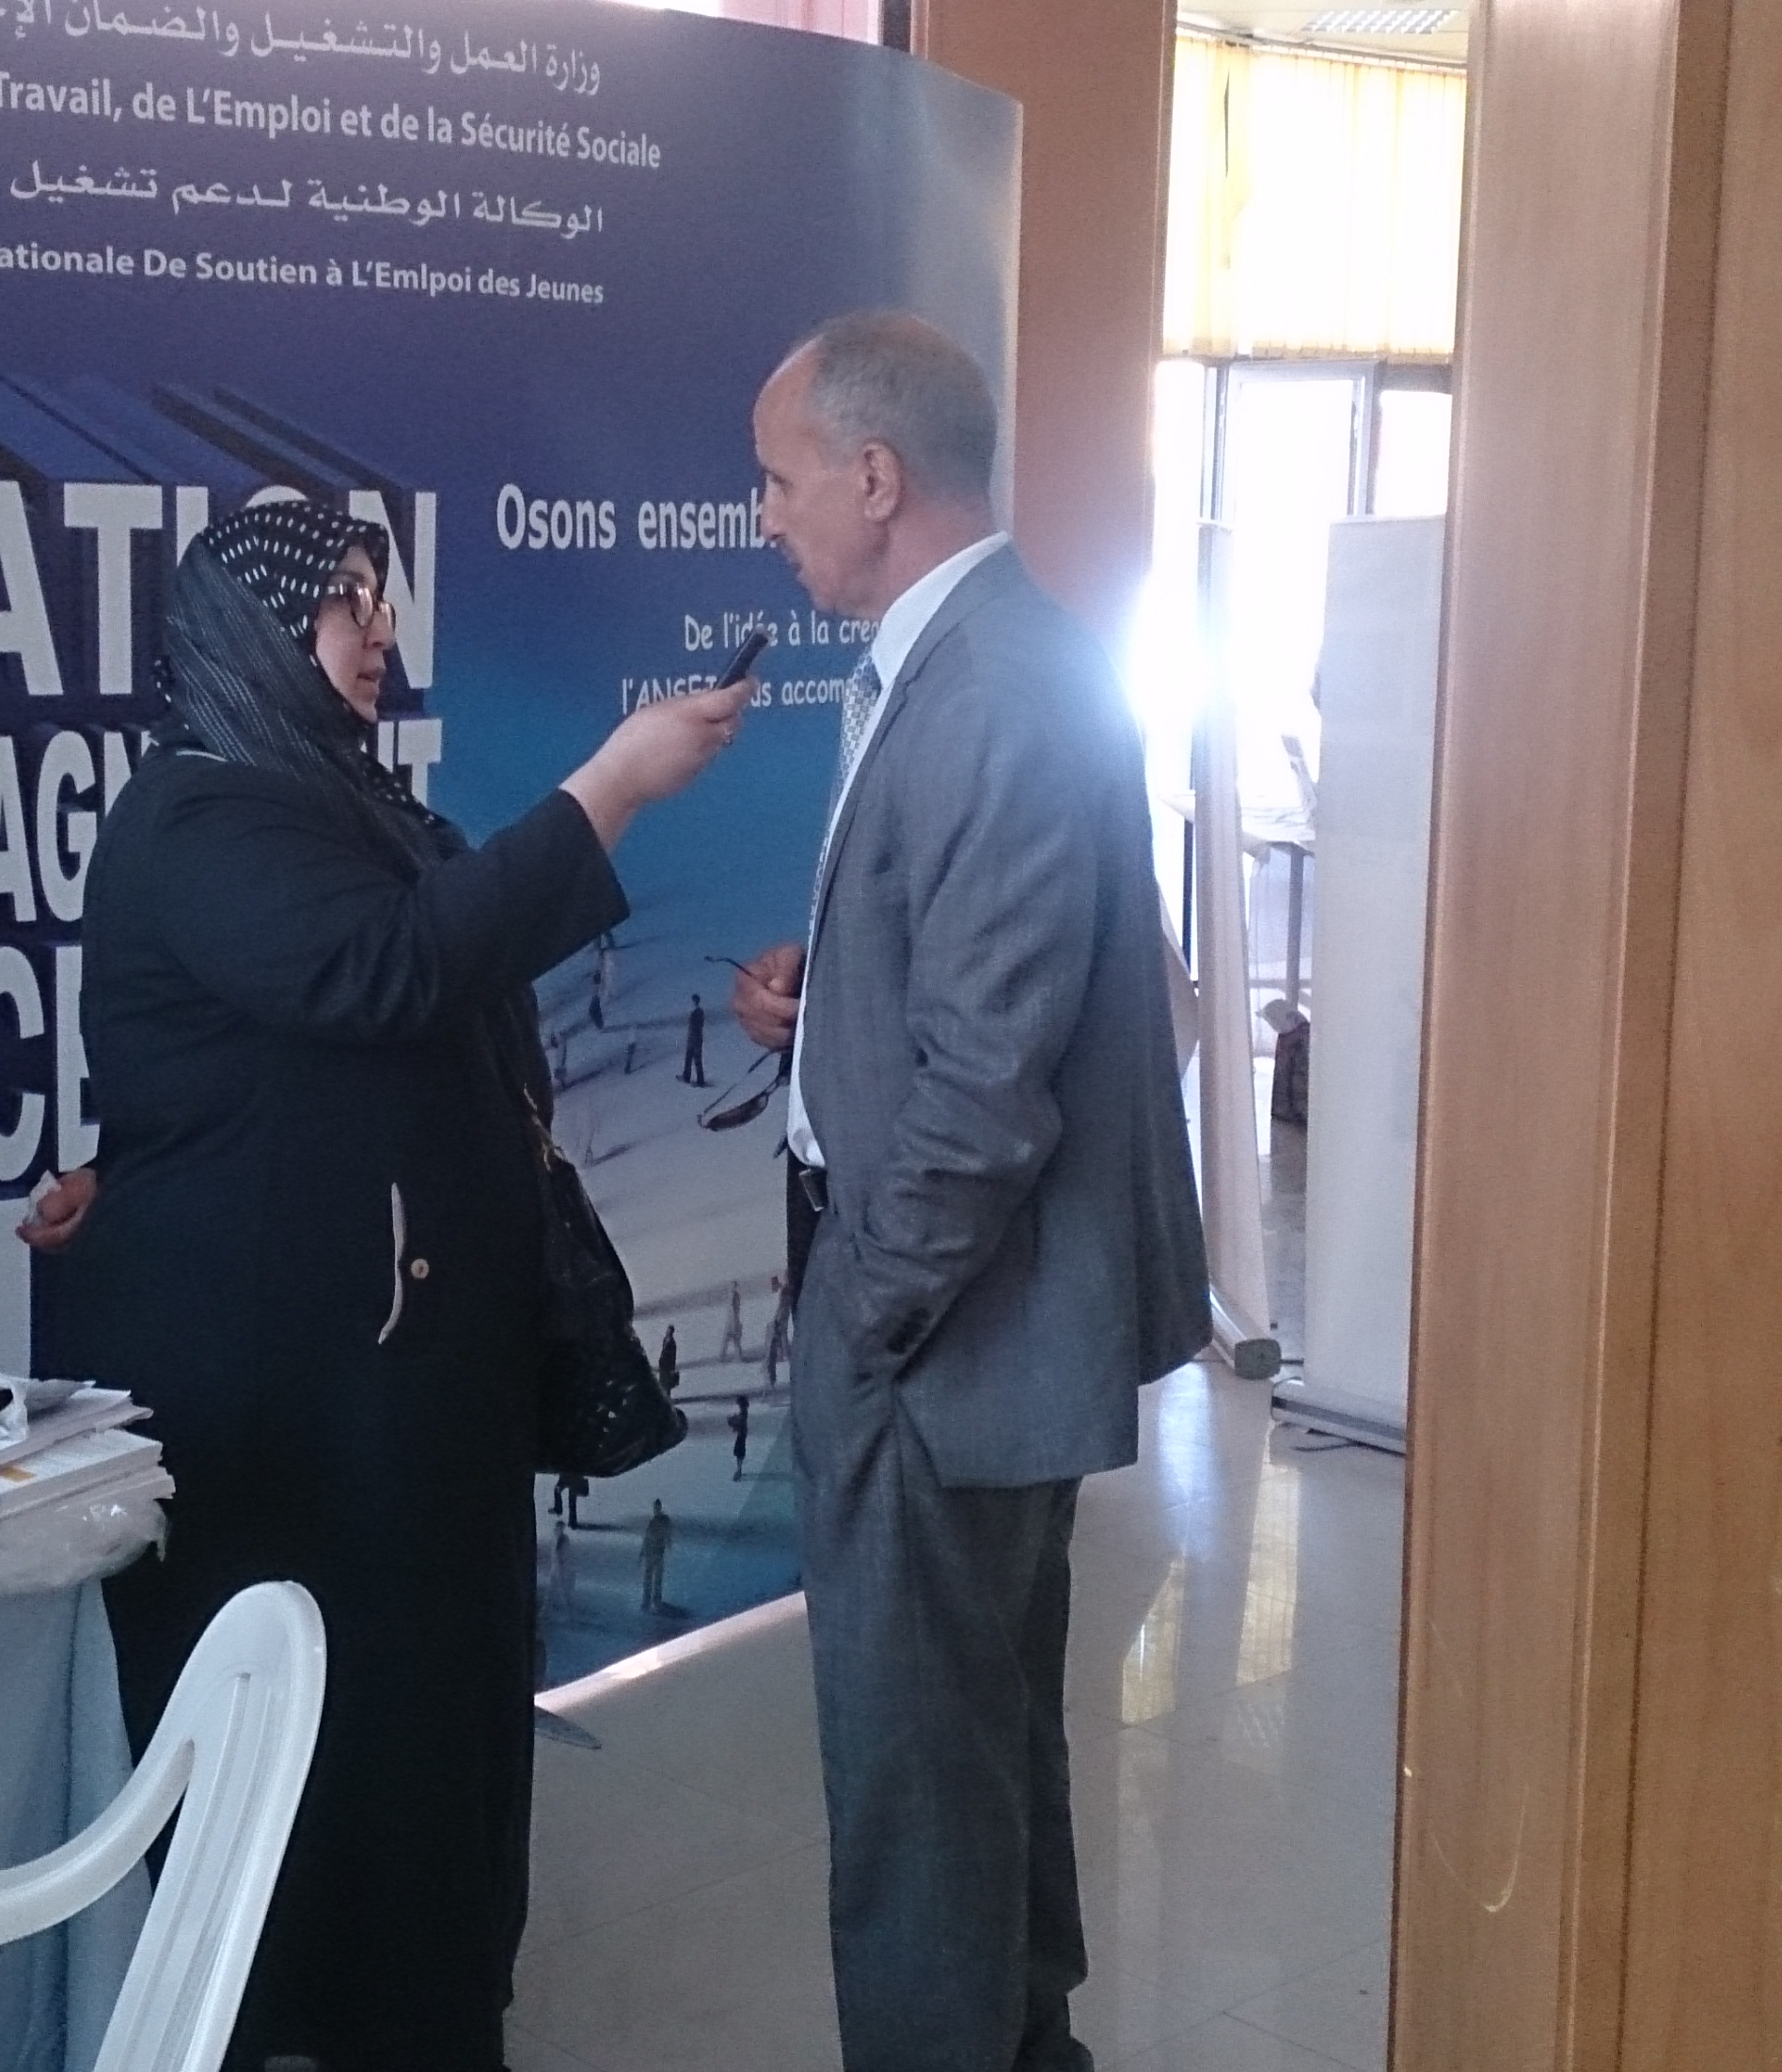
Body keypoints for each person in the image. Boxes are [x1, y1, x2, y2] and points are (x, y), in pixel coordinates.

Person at [70, 500, 752, 2072]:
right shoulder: (200, 817)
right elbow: (389, 968)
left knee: (430, 1726)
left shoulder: (340, 803)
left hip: (394, 1385)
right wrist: (610, 787)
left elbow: (424, 966)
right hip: (295, 1404)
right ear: (254, 636)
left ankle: (422, 2012)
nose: (379, 630)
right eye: (343, 604)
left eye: (382, 598)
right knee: (339, 1739)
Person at [730, 311, 1207, 2072]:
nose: (766, 516)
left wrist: (863, 1311)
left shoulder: (994, 685)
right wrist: (829, 1000)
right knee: (980, 1737)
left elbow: (988, 1089)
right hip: (951, 1317)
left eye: (779, 479)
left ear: (874, 476)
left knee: (917, 1785)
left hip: (941, 1331)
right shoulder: (965, 660)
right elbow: (978, 978)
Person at [638, 1499, 679, 1616]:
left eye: (656, 1507)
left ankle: (654, 1600)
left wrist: (668, 1543)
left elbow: (667, 1534)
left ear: (659, 1508)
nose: (655, 1509)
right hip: (651, 1553)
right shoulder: (654, 1521)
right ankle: (648, 1600)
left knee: (656, 1578)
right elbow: (647, 1538)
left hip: (657, 1552)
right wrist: (642, 1553)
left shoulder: (662, 1520)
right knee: (650, 1578)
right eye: (655, 1507)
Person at [681, 993, 711, 1085]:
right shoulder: (697, 1011)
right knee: (690, 1059)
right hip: (694, 1038)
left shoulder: (696, 1012)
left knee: (695, 1059)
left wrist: (693, 1038)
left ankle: (697, 1079)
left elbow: (696, 1027)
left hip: (695, 1039)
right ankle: (689, 1077)